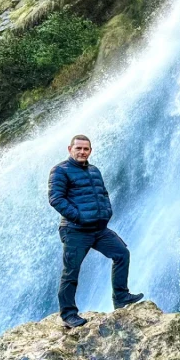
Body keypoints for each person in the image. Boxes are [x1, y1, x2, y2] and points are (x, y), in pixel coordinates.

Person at [48, 135, 143, 328]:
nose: (82, 152)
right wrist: (79, 216)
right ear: (70, 149)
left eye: (86, 149)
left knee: (121, 253)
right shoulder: (60, 170)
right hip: (75, 230)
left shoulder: (94, 170)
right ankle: (68, 314)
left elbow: (103, 194)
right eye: (79, 148)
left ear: (90, 151)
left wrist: (107, 212)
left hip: (98, 229)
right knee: (71, 271)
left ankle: (121, 297)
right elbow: (56, 199)